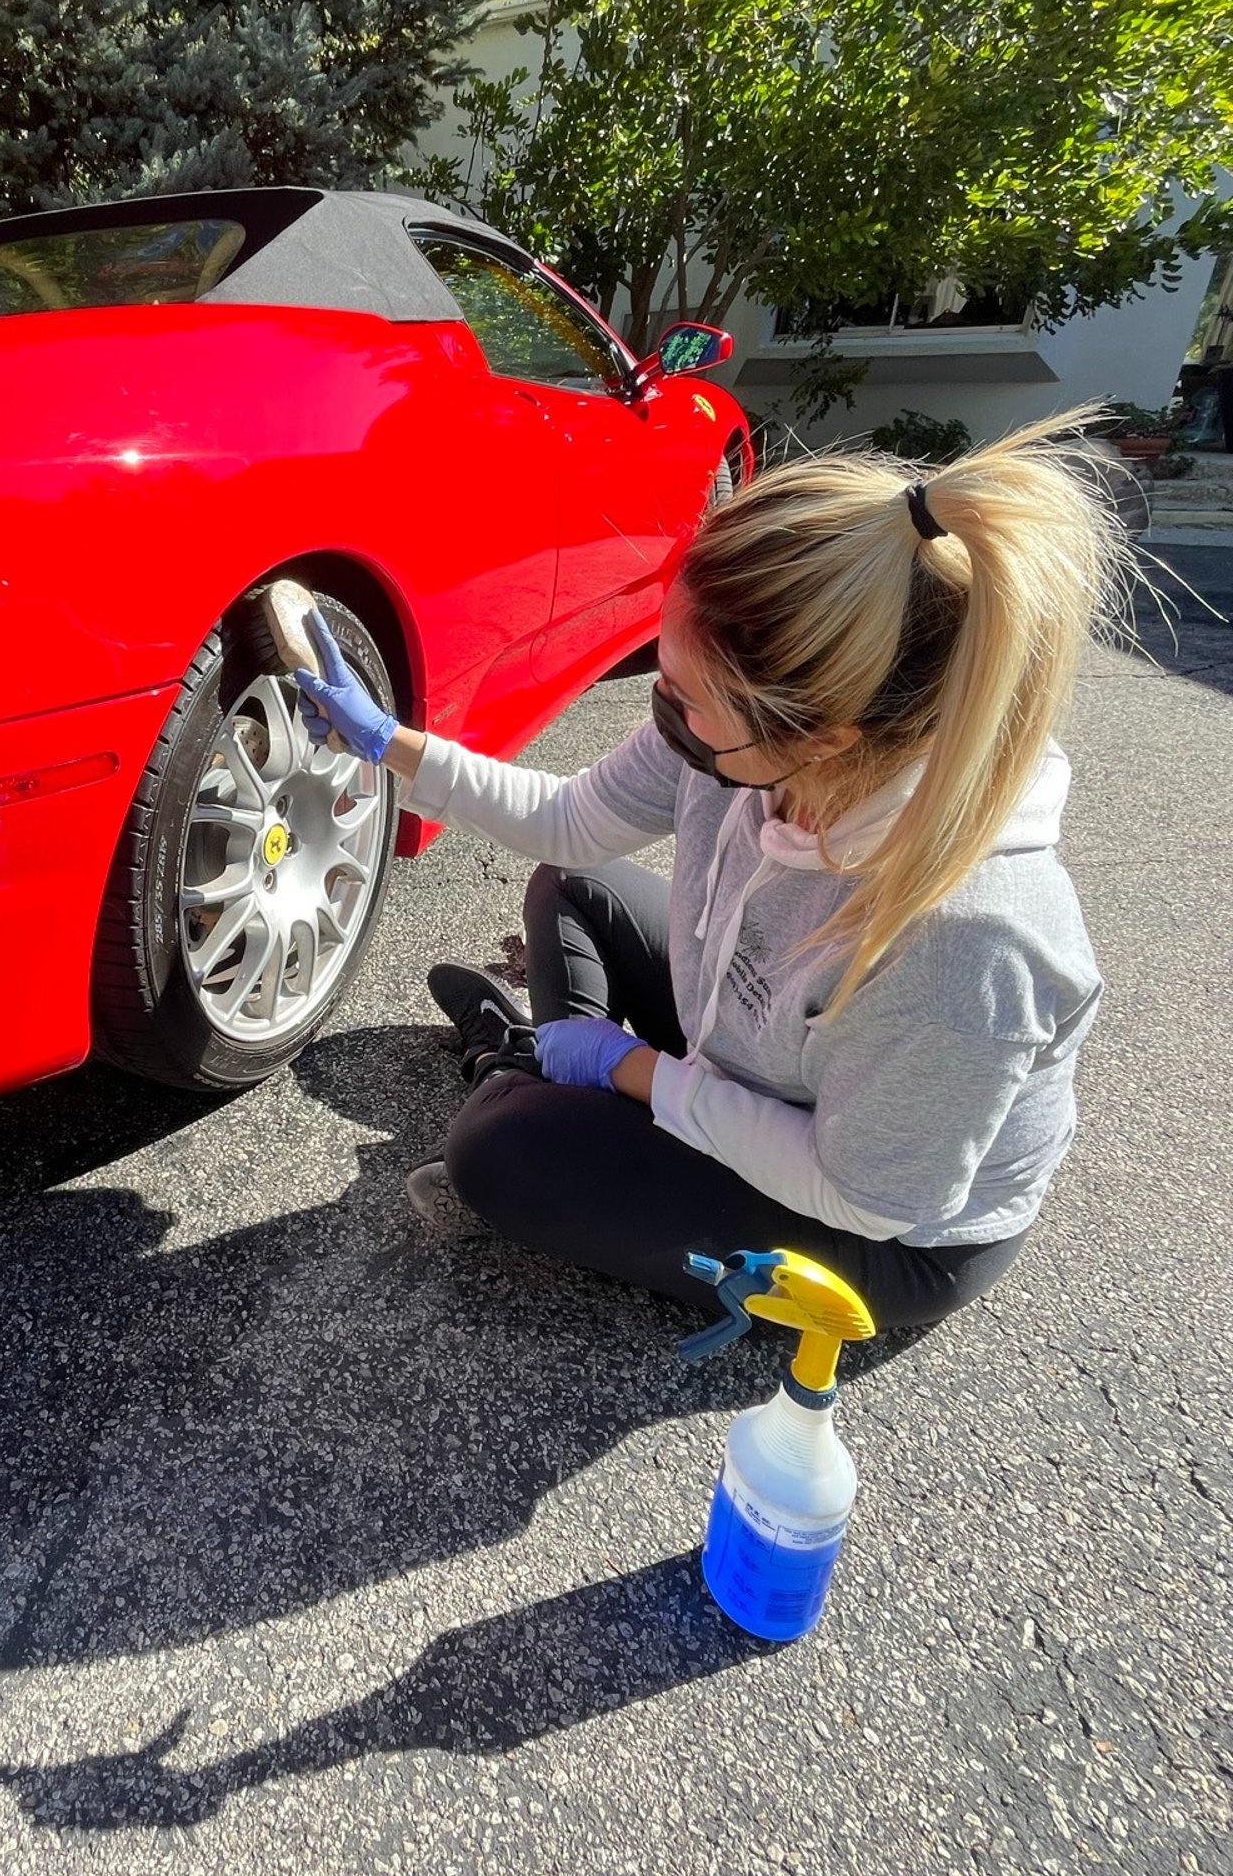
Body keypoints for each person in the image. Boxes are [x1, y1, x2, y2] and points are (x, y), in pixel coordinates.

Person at [294, 422, 1122, 1330]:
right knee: (576, 884)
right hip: (765, 1062)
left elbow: (867, 1197)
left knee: (499, 1153)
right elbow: (572, 822)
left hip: (882, 1230)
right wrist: (389, 744)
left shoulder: (967, 944)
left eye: (684, 699)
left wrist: (633, 1069)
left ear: (821, 739)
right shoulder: (753, 730)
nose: (664, 710)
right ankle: (546, 1081)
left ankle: (527, 1083)